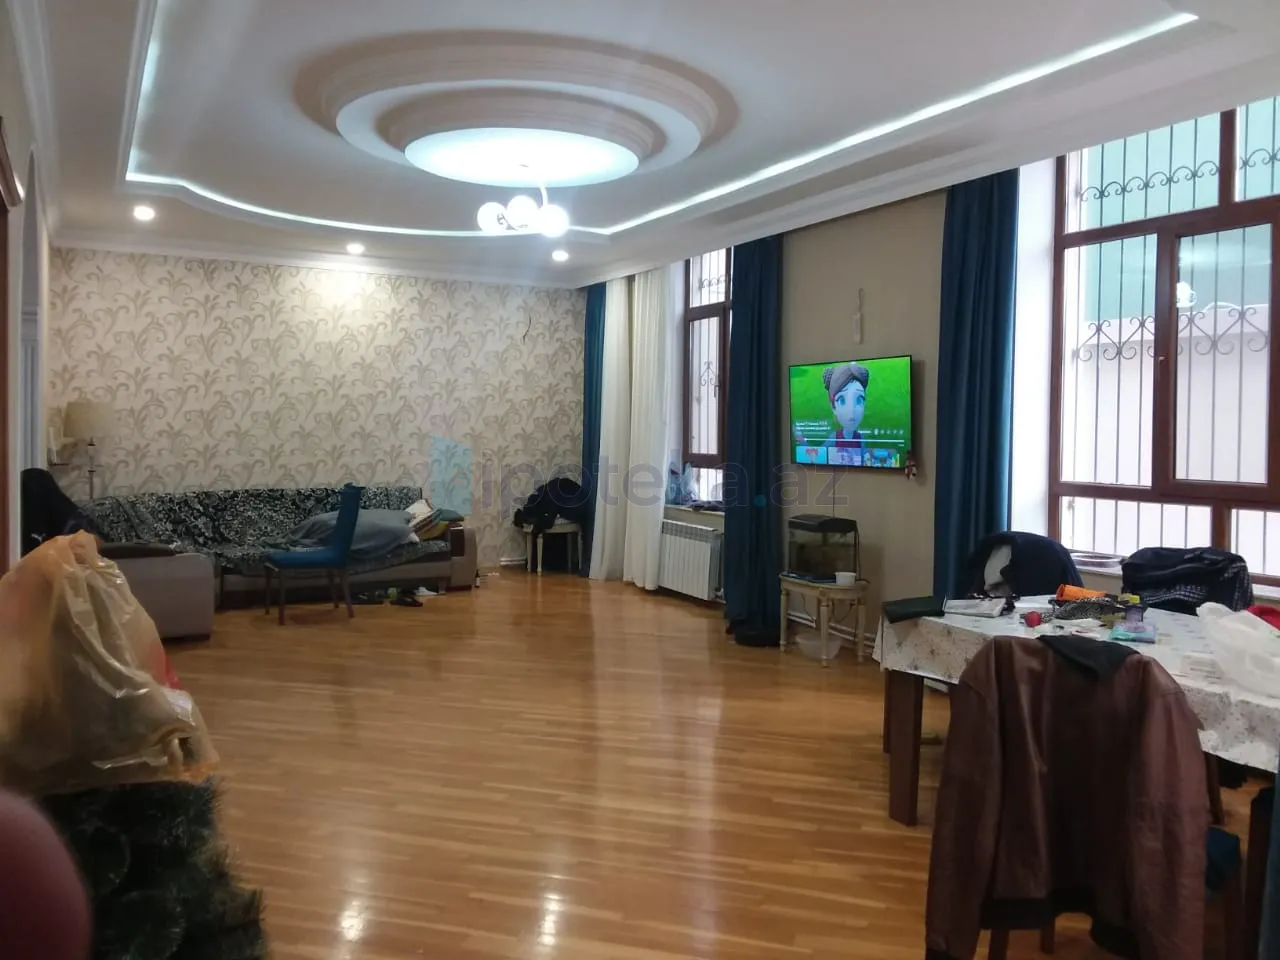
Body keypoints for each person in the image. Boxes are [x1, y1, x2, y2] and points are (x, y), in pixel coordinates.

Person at [822, 362, 869, 448]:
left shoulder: (860, 438)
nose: (851, 411)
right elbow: (820, 452)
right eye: (842, 400)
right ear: (833, 407)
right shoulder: (835, 437)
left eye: (859, 400)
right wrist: (801, 440)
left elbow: (865, 454)